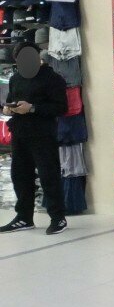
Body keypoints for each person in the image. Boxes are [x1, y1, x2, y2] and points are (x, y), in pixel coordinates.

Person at [0, 42, 68, 235]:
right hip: (20, 133)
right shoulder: (16, 78)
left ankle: (58, 218)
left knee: (48, 176)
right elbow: (11, 100)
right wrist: (8, 109)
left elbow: (61, 107)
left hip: (43, 135)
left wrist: (32, 108)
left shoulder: (53, 79)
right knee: (20, 176)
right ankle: (24, 217)